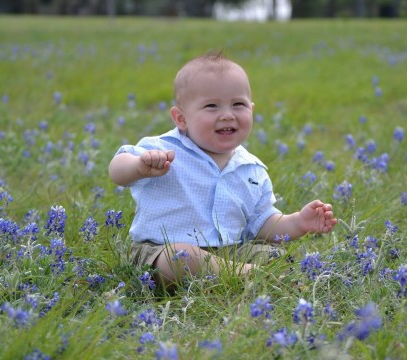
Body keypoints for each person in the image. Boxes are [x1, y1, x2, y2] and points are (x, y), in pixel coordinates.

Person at [108, 52, 337, 287]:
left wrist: (298, 222)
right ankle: (249, 276)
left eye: (238, 104)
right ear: (181, 118)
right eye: (211, 106)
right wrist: (139, 166)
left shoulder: (252, 169)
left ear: (252, 109)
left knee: (273, 255)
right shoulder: (161, 150)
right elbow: (117, 171)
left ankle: (239, 274)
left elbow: (263, 223)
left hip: (230, 253)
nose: (227, 115)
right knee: (182, 258)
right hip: (160, 251)